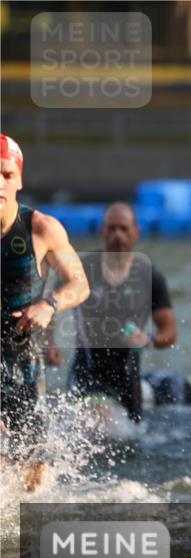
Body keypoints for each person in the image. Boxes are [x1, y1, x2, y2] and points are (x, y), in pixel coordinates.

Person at [1, 134, 90, 492]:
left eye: (6, 175)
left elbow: (79, 284)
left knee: (32, 478)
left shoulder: (41, 229)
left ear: (19, 180)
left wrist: (48, 305)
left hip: (23, 359)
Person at [63, 203, 176, 423]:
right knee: (97, 423)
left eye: (124, 228)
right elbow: (53, 302)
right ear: (102, 231)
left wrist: (149, 339)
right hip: (88, 371)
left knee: (131, 436)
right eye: (112, 228)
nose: (118, 235)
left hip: (128, 375)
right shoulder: (82, 269)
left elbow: (169, 332)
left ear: (136, 232)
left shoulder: (150, 277)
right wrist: (50, 342)